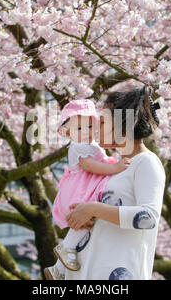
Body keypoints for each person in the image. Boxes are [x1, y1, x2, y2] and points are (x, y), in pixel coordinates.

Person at [64, 85, 166, 280]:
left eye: (102, 122)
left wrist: (93, 208)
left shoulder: (146, 162)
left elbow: (149, 217)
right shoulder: (114, 168)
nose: (95, 129)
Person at [44, 99, 131, 280]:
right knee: (83, 221)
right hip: (81, 189)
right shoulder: (78, 147)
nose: (85, 132)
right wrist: (115, 168)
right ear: (68, 132)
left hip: (88, 186)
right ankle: (66, 250)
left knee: (85, 224)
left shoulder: (92, 144)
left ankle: (59, 269)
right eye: (79, 129)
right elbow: (90, 166)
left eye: (90, 127)